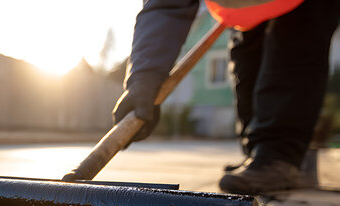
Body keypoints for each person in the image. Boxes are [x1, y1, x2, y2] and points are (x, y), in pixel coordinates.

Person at [112, 0, 339, 195]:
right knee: (246, 62)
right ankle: (259, 155)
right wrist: (144, 77)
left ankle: (279, 159)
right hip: (248, 11)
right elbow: (165, 6)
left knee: (292, 46)